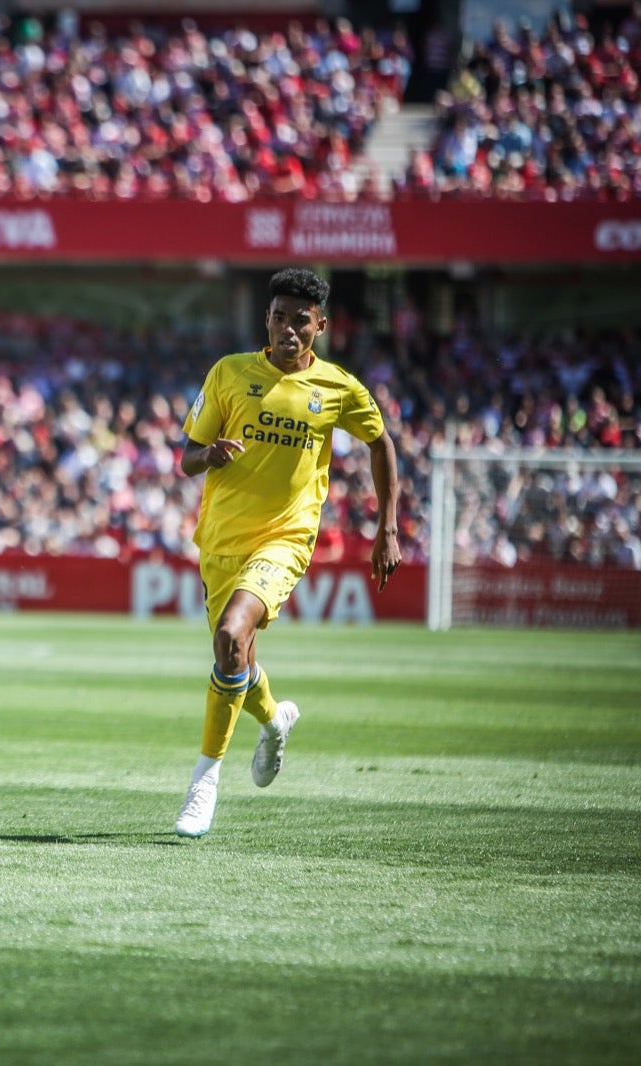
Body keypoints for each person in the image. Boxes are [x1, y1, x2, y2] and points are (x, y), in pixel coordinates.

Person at [173, 267, 400, 839]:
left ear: (320, 326)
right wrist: (210, 455)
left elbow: (380, 442)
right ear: (267, 320)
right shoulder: (229, 373)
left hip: (286, 539)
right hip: (221, 541)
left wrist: (388, 528)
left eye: (301, 320)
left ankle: (204, 781)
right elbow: (187, 457)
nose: (288, 329)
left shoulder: (338, 388)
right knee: (234, 659)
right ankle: (275, 721)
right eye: (279, 318)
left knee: (231, 635)